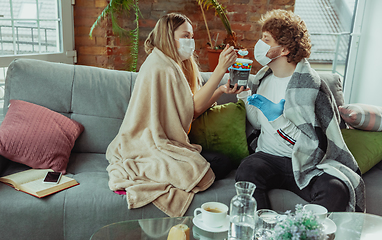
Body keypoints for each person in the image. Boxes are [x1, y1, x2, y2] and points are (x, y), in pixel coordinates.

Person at [105, 13, 245, 217]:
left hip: (174, 140)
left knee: (221, 161)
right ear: (168, 36)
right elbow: (192, 108)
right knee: (216, 164)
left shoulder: (172, 64)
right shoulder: (160, 66)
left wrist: (221, 90)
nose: (191, 41)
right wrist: (220, 70)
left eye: (191, 36)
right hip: (151, 144)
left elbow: (192, 110)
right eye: (185, 35)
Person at [235, 9, 365, 212]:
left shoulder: (310, 85)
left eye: (266, 40)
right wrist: (243, 96)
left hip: (306, 162)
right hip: (267, 158)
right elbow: (259, 123)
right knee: (248, 169)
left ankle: (297, 231)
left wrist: (277, 118)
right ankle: (264, 228)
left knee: (337, 189)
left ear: (284, 49)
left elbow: (309, 144)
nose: (259, 45)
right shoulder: (263, 79)